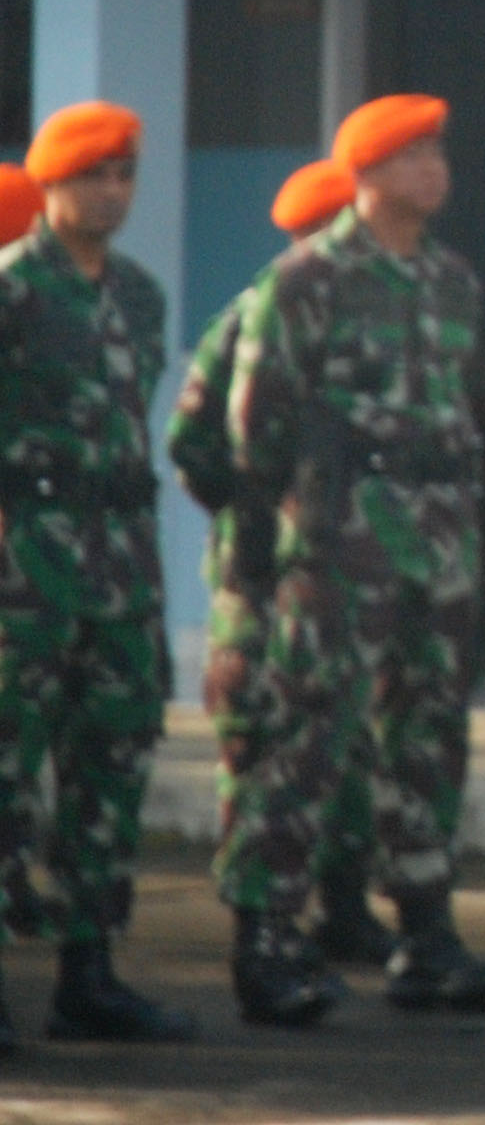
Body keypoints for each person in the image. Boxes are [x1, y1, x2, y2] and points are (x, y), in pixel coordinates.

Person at [219, 95, 485, 1020]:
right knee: (310, 738)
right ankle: (266, 939)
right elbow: (252, 429)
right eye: (417, 153)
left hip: (437, 548)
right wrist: (286, 547)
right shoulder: (306, 282)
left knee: (431, 740)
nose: (438, 167)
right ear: (371, 171)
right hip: (342, 546)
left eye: (439, 149)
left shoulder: (451, 280)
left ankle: (427, 938)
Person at [168, 159, 392, 992]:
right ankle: (262, 919)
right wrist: (253, 514)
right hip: (264, 576)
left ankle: (341, 907)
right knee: (265, 737)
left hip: (340, 566)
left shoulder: (363, 325)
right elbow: (193, 442)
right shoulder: (257, 315)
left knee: (344, 737)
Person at [0, 104, 195, 1050]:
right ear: (49, 183)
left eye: (123, 176)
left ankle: (90, 972)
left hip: (119, 562)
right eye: (91, 177)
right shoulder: (11, 291)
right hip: (24, 565)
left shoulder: (141, 298)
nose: (111, 193)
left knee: (111, 767)